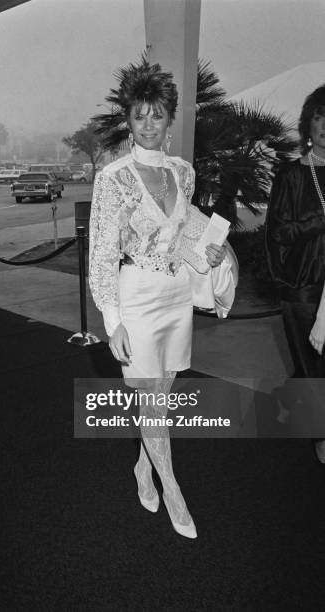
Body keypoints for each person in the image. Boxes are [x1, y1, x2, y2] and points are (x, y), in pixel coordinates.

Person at [89, 57, 237, 539]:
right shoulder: (113, 178)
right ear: (128, 120)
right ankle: (173, 490)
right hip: (136, 300)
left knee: (162, 400)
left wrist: (205, 256)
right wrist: (113, 321)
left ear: (170, 117)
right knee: (151, 400)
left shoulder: (184, 172)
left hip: (175, 296)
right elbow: (101, 254)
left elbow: (179, 238)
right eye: (139, 114)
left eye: (157, 114)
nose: (149, 124)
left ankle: (142, 468)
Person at [266, 84, 325, 462]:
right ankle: (320, 436)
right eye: (320, 117)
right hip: (305, 287)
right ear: (309, 125)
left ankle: (288, 400)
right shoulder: (292, 175)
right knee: (313, 365)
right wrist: (319, 221)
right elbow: (278, 232)